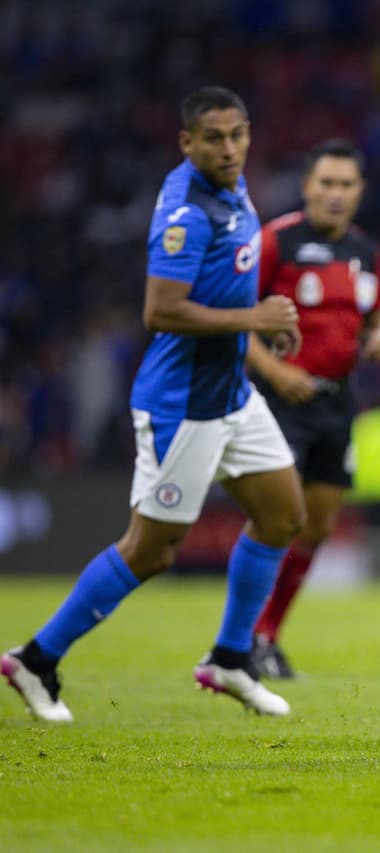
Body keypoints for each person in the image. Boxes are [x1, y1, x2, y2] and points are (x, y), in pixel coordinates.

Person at [1, 86, 305, 722]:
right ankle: (37, 658)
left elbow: (226, 279)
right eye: (214, 138)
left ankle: (229, 656)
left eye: (237, 134)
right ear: (186, 143)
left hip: (232, 393)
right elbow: (160, 310)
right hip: (183, 404)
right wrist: (255, 315)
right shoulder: (187, 212)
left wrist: (257, 325)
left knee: (282, 514)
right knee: (152, 550)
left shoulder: (233, 188)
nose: (228, 148)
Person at [245, 139, 380, 679]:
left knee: (316, 526)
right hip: (277, 403)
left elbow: (376, 315)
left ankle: (265, 635)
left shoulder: (366, 250)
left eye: (346, 185)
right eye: (326, 183)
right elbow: (235, 322)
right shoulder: (276, 242)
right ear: (307, 186)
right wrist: (276, 371)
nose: (335, 194)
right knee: (276, 520)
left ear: (359, 192)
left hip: (338, 401)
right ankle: (237, 640)